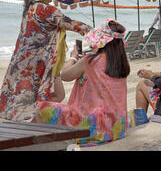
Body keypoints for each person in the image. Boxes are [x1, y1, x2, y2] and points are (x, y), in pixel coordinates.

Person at [0, 0, 91, 121]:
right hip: (40, 63)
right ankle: (38, 123)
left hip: (23, 61)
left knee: (32, 97)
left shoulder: (29, 8)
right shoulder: (45, 9)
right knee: (51, 96)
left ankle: (36, 121)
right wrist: (93, 31)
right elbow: (69, 23)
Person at [34, 19, 130, 147]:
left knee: (40, 107)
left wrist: (73, 57)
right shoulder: (121, 64)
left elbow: (65, 75)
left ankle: (29, 143)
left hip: (95, 127)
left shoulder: (90, 61)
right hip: (116, 127)